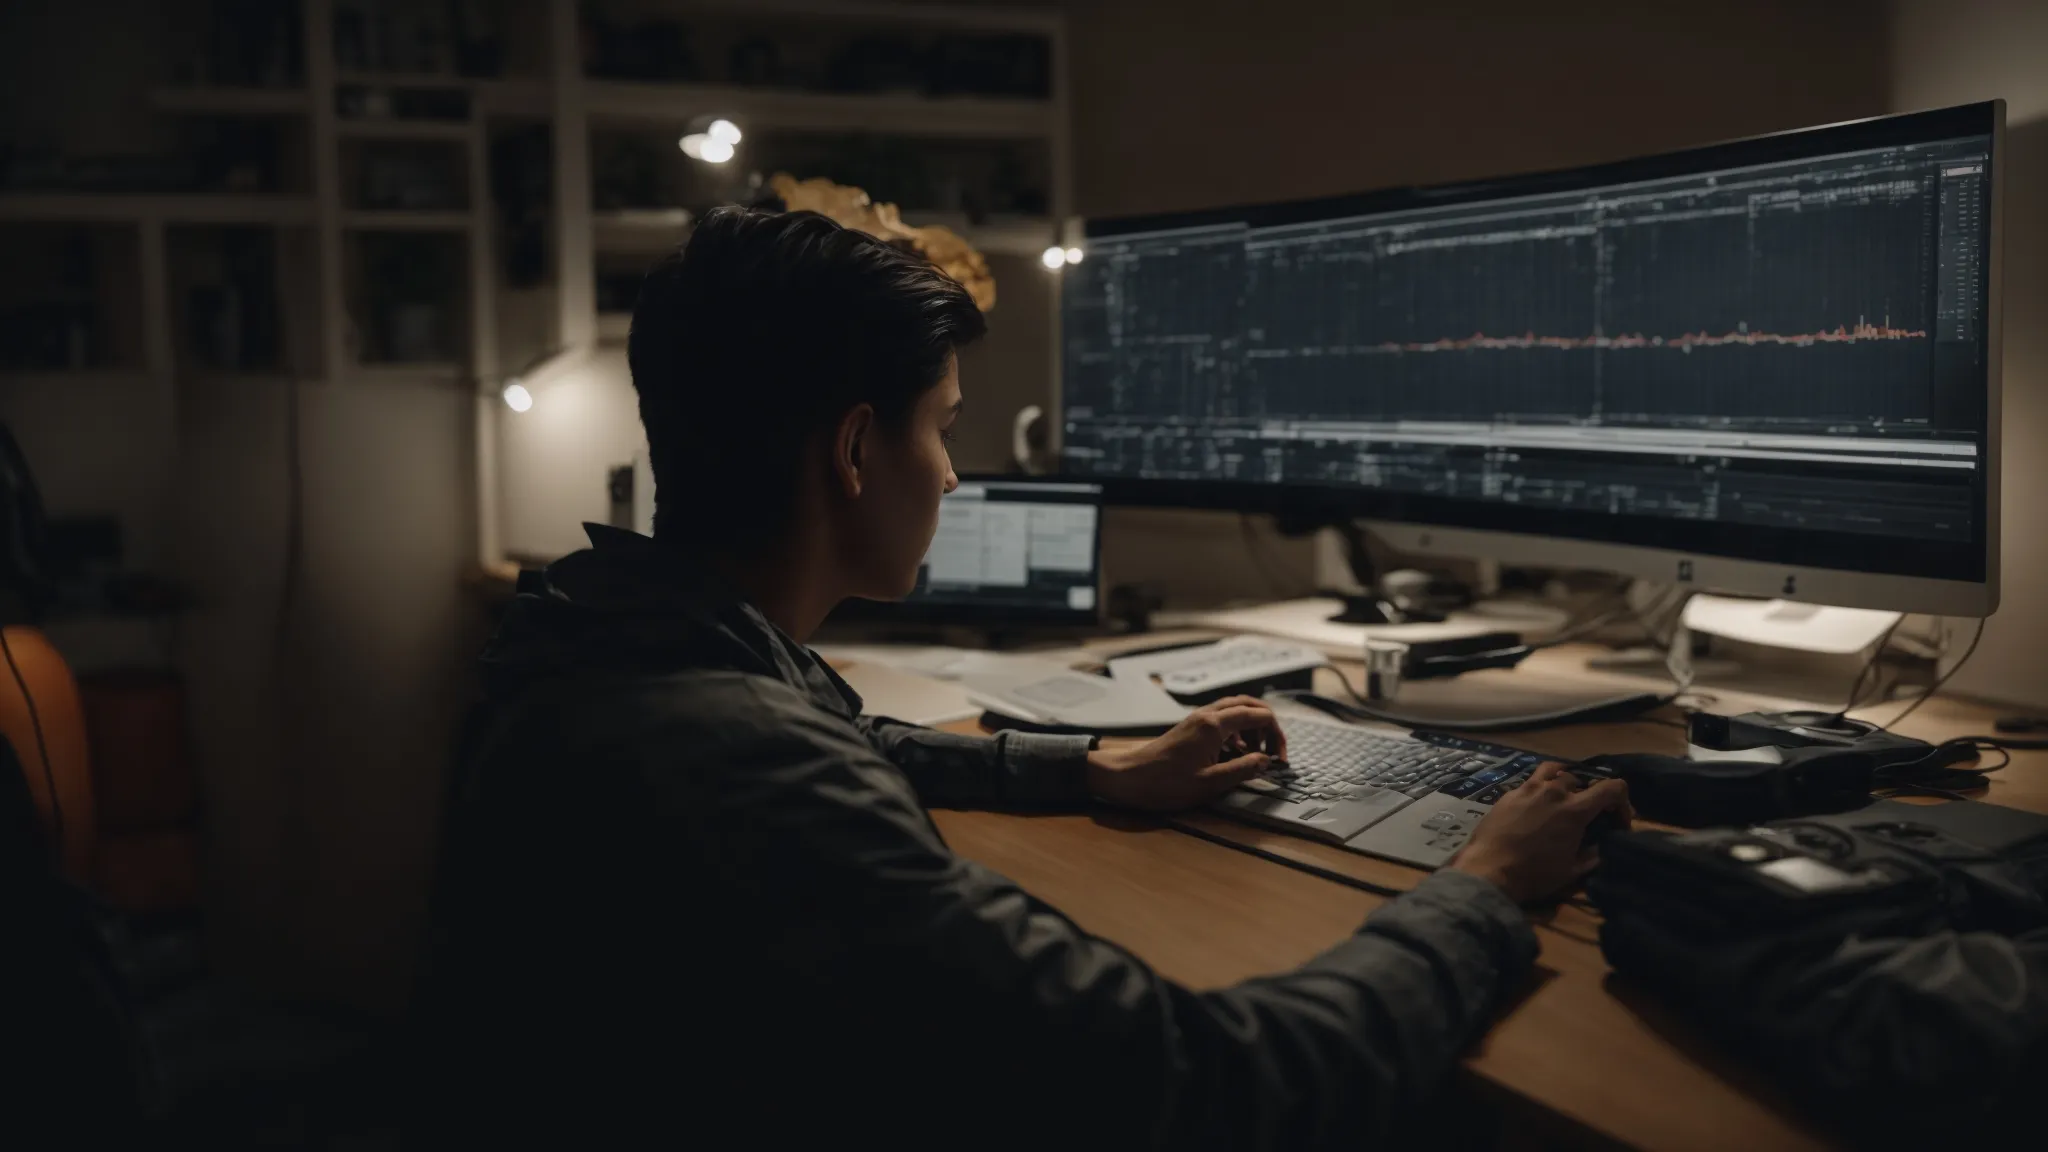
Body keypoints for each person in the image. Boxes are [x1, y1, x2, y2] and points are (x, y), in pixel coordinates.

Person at [414, 206, 1633, 1149]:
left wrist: (1095, 771)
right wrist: (1481, 889)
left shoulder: (618, 638)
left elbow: (840, 752)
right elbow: (1211, 1086)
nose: (949, 475)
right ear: (851, 449)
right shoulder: (745, 766)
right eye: (941, 426)